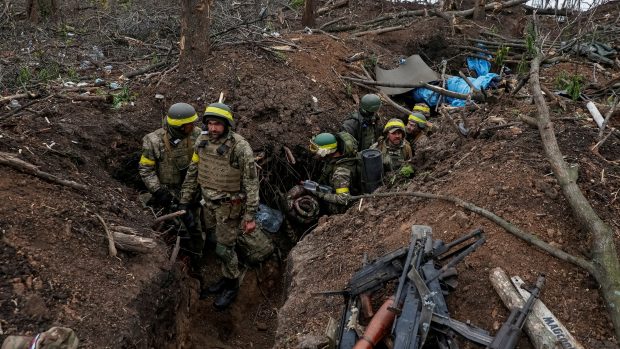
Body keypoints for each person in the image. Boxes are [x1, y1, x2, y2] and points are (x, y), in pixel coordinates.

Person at [179, 102, 259, 310]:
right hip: (208, 204)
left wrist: (250, 216)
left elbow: (251, 182)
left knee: (224, 249)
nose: (213, 128)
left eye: (217, 124)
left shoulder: (240, 147)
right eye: (210, 124)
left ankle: (232, 284)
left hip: (229, 207)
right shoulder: (202, 140)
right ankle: (225, 278)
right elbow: (193, 171)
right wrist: (185, 201)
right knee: (215, 241)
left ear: (227, 124)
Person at [138, 103, 204, 266]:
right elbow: (146, 170)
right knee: (180, 229)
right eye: (190, 124)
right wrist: (159, 191)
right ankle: (183, 260)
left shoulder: (198, 136)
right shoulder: (153, 140)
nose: (194, 126)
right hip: (169, 193)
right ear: (180, 127)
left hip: (192, 190)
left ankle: (199, 255)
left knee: (196, 226)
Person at [307, 131, 359, 214]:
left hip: (341, 210)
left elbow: (343, 199)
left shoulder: (340, 173)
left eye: (315, 148)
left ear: (325, 151)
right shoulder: (337, 157)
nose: (315, 153)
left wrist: (319, 194)